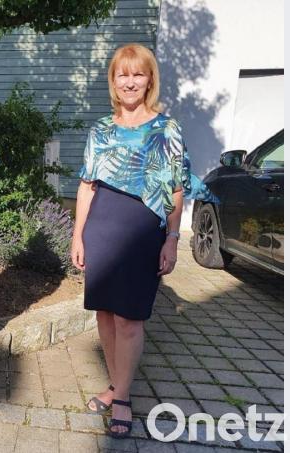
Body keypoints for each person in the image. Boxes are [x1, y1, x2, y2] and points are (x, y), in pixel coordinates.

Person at [70, 43, 216, 438]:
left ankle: (122, 398)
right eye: (123, 74)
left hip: (142, 234)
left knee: (129, 319)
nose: (130, 81)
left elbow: (177, 191)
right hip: (102, 228)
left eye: (138, 74)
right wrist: (77, 236)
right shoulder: (100, 129)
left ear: (149, 79)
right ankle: (115, 385)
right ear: (113, 82)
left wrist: (171, 239)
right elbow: (86, 187)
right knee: (103, 312)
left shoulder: (166, 129)